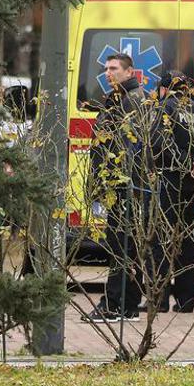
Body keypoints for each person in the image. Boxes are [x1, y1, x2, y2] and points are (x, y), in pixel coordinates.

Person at [144, 72, 194, 314]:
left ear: (163, 89)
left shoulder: (164, 108)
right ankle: (186, 300)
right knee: (188, 241)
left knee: (161, 240)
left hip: (167, 181)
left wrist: (183, 165)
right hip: (192, 185)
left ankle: (158, 301)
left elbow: (161, 143)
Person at [82, 52, 150, 323]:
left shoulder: (133, 101)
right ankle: (129, 304)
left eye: (114, 69)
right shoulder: (119, 99)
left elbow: (129, 147)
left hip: (126, 186)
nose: (108, 73)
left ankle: (114, 304)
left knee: (121, 245)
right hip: (119, 185)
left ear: (129, 72)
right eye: (106, 69)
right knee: (126, 244)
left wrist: (119, 181)